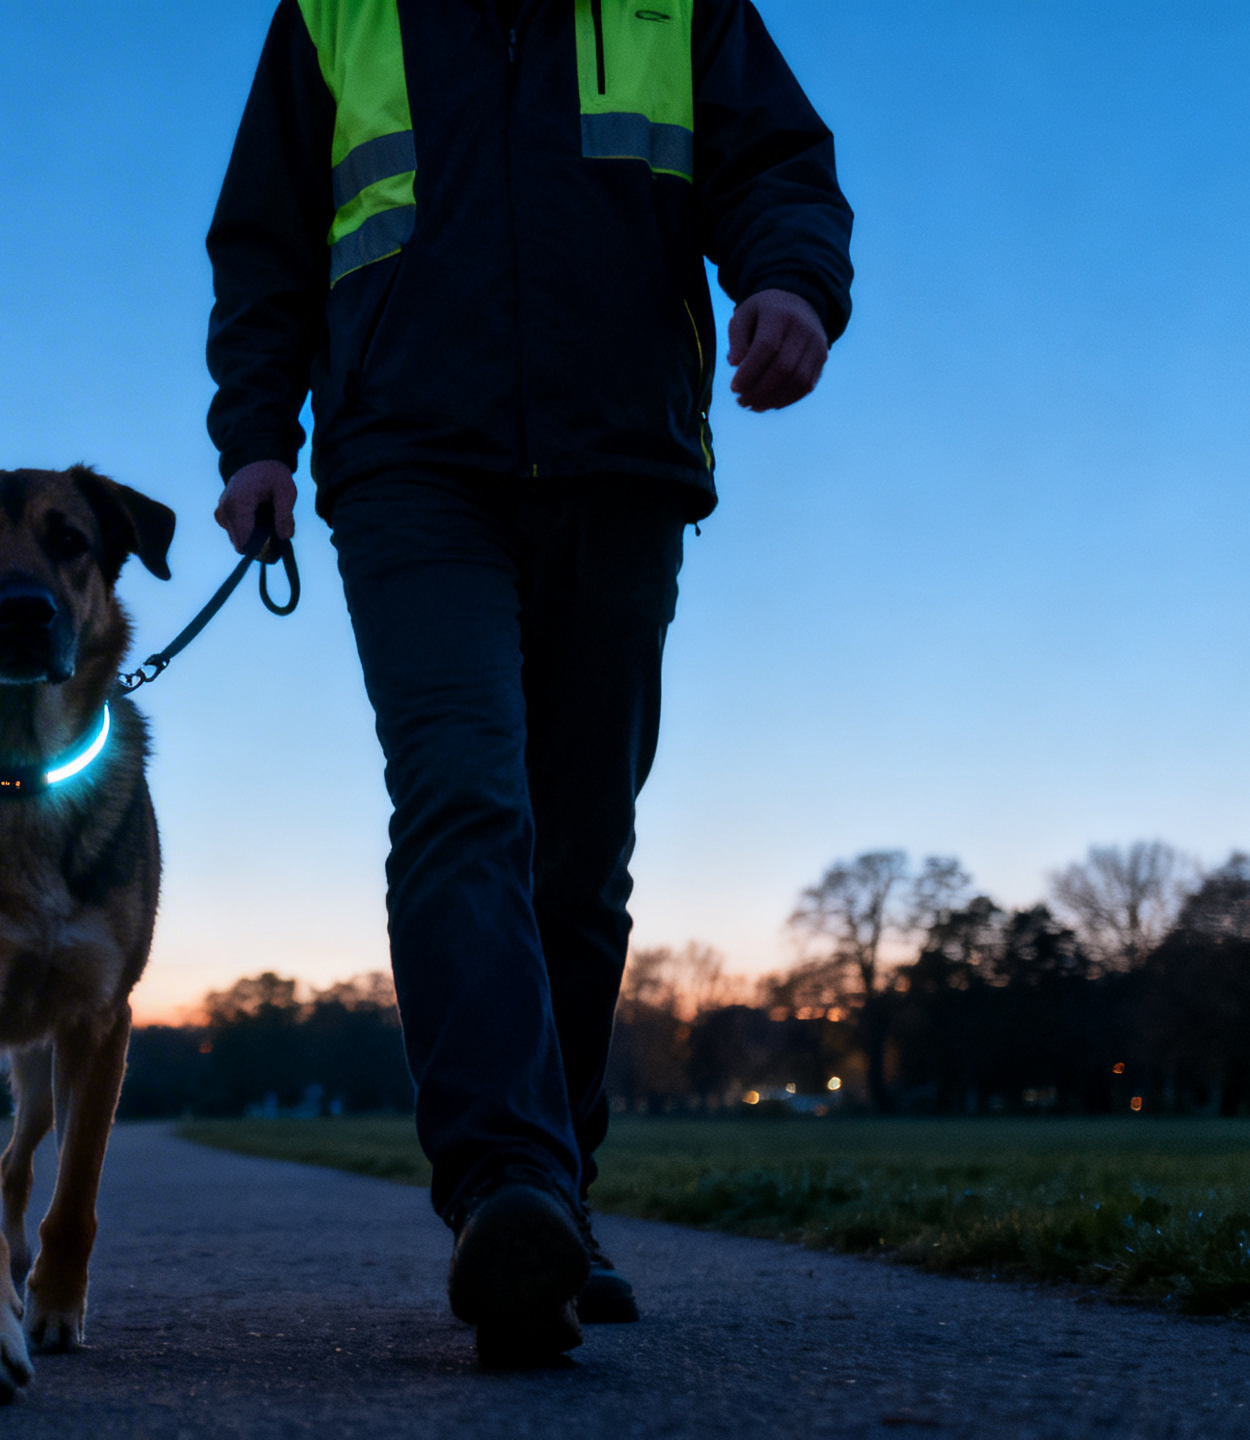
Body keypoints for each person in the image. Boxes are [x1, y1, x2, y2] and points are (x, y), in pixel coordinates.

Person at [204, 0, 850, 1364]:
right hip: (408, 468)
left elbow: (776, 161)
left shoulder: (681, 3)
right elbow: (265, 238)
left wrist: (790, 282)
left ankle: (557, 1200)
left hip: (620, 461)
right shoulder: (334, 13)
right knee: (462, 798)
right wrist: (256, 438)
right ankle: (504, 1187)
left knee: (579, 860)